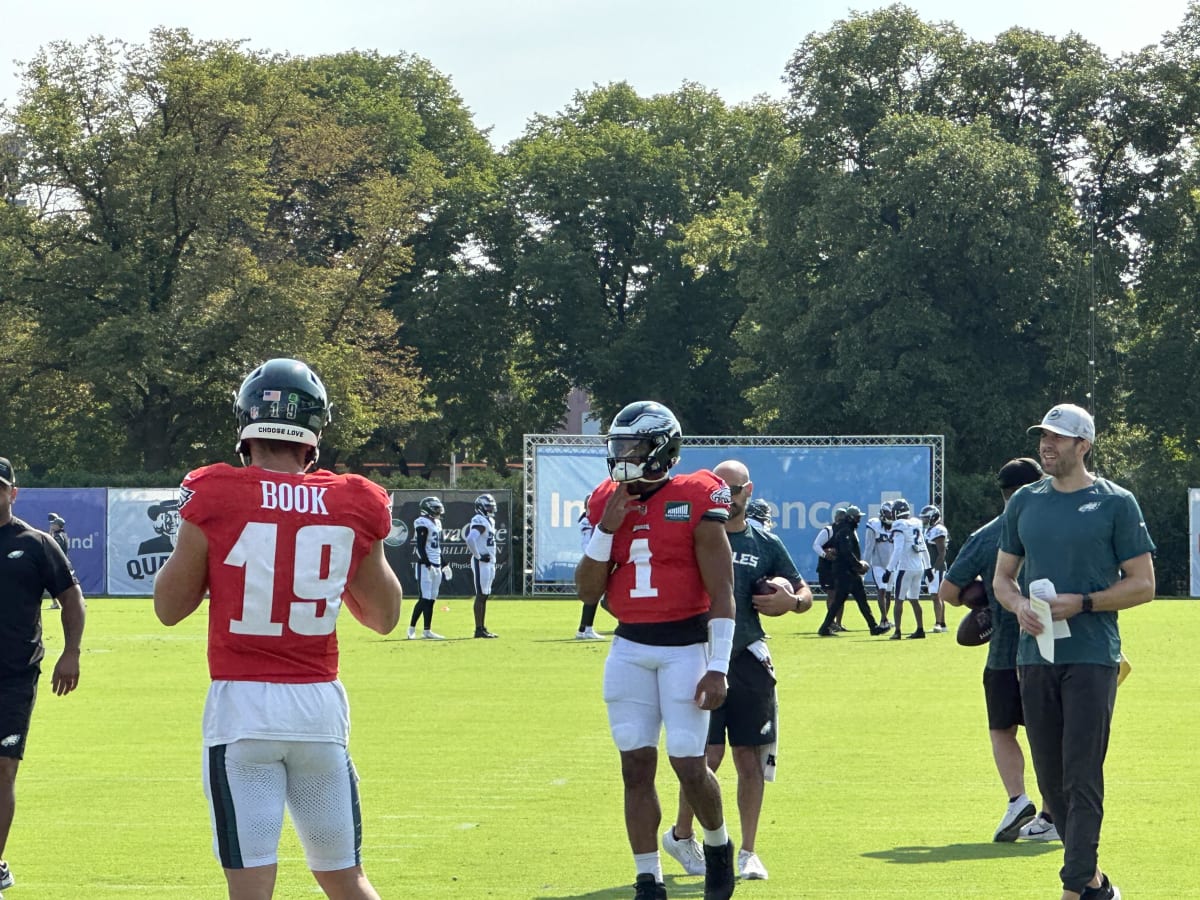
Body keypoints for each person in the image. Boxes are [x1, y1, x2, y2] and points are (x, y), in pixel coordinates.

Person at [153, 358, 403, 900]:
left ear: (246, 428)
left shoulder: (215, 493)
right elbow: (383, 617)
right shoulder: (356, 501)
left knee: (251, 890)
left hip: (243, 710)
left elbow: (169, 607)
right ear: (314, 434)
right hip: (317, 709)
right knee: (346, 880)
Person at [576, 400, 737, 900]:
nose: (623, 455)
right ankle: (648, 875)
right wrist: (607, 526)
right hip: (629, 646)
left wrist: (718, 666)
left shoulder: (696, 496)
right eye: (618, 445)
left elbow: (724, 591)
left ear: (662, 449)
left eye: (634, 446)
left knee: (689, 761)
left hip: (685, 645)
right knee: (635, 766)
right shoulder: (606, 500)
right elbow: (586, 591)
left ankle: (717, 846)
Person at [994, 403, 1155, 900]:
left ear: (1083, 445)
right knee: (1052, 777)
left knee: (1082, 771)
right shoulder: (1024, 501)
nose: (1048, 444)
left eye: (1059, 437)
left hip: (1092, 656)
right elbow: (1003, 577)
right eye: (1044, 435)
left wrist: (1082, 603)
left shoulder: (1116, 502)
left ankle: (1073, 889)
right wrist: (1019, 603)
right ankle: (1094, 883)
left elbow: (1143, 585)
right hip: (1033, 656)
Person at [664, 459, 811, 883]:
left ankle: (748, 850)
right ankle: (682, 834)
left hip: (747, 656)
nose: (727, 497)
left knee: (750, 758)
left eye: (735, 489)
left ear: (749, 490)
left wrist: (792, 602)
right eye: (720, 488)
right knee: (704, 756)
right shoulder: (693, 536)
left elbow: (802, 590)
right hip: (700, 655)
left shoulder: (764, 542)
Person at [938, 458, 1058, 842]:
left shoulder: (987, 535)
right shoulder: (1060, 527)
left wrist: (982, 601)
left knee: (1001, 729)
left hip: (1005, 652)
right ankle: (1052, 815)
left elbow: (949, 592)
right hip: (1055, 649)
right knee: (1049, 734)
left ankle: (1017, 799)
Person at [0, 457, 85, 899]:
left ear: (13, 493)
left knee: (2, 769)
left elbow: (70, 598)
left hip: (13, 676)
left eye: (0, 488)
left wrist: (71, 653)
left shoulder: (34, 543)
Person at [817, 506, 889, 637]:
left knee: (854, 600)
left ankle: (872, 626)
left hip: (848, 572)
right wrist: (858, 565)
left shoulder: (847, 529)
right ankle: (872, 627)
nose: (859, 519)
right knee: (852, 601)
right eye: (857, 517)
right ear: (851, 518)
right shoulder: (845, 531)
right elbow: (846, 552)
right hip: (846, 572)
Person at [884, 498, 931, 640]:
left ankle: (897, 631)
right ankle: (920, 629)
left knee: (898, 600)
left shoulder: (899, 525)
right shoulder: (916, 523)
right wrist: (928, 567)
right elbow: (923, 546)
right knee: (914, 599)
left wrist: (889, 569)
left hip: (905, 567)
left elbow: (898, 549)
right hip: (919, 567)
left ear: (896, 512)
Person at [408, 496, 446, 640]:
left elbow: (437, 548)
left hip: (436, 564)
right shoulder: (421, 522)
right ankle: (411, 628)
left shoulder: (436, 523)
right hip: (426, 565)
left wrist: (444, 564)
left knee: (431, 599)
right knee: (424, 598)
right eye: (435, 508)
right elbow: (420, 547)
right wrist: (428, 564)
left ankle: (427, 631)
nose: (438, 511)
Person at [466, 493, 500, 638]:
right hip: (482, 562)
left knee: (485, 595)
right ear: (480, 507)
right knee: (481, 595)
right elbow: (470, 539)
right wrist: (478, 556)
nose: (491, 509)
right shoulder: (479, 520)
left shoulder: (489, 520)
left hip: (489, 562)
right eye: (488, 506)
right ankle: (478, 629)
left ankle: (482, 628)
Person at [574, 494, 606, 640]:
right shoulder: (587, 521)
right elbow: (591, 541)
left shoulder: (590, 520)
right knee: (594, 595)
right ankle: (585, 629)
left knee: (595, 595)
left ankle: (584, 628)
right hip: (592, 560)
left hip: (594, 559)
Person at [812, 507, 847, 631]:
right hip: (827, 568)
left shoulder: (847, 532)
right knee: (832, 594)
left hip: (840, 568)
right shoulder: (828, 530)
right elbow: (816, 545)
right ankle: (831, 622)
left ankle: (839, 623)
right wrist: (825, 555)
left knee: (841, 595)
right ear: (836, 518)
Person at [862, 502, 894, 629]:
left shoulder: (898, 525)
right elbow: (869, 547)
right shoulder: (874, 525)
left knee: (888, 592)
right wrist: (864, 566)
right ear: (882, 513)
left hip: (892, 565)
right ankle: (884, 618)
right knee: (881, 589)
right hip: (878, 564)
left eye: (892, 513)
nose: (891, 515)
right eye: (888, 513)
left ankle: (885, 618)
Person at [921, 505, 950, 632]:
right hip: (931, 567)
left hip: (937, 568)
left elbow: (942, 553)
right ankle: (942, 623)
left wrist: (934, 569)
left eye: (926, 518)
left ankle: (939, 623)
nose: (924, 521)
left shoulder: (938, 530)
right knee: (935, 596)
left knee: (936, 595)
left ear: (933, 517)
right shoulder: (929, 530)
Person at [46, 514, 69, 610]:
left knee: (51, 584)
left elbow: (53, 547)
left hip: (57, 564)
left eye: (53, 524)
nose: (51, 525)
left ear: (58, 526)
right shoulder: (63, 534)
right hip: (62, 564)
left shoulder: (58, 536)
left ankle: (56, 603)